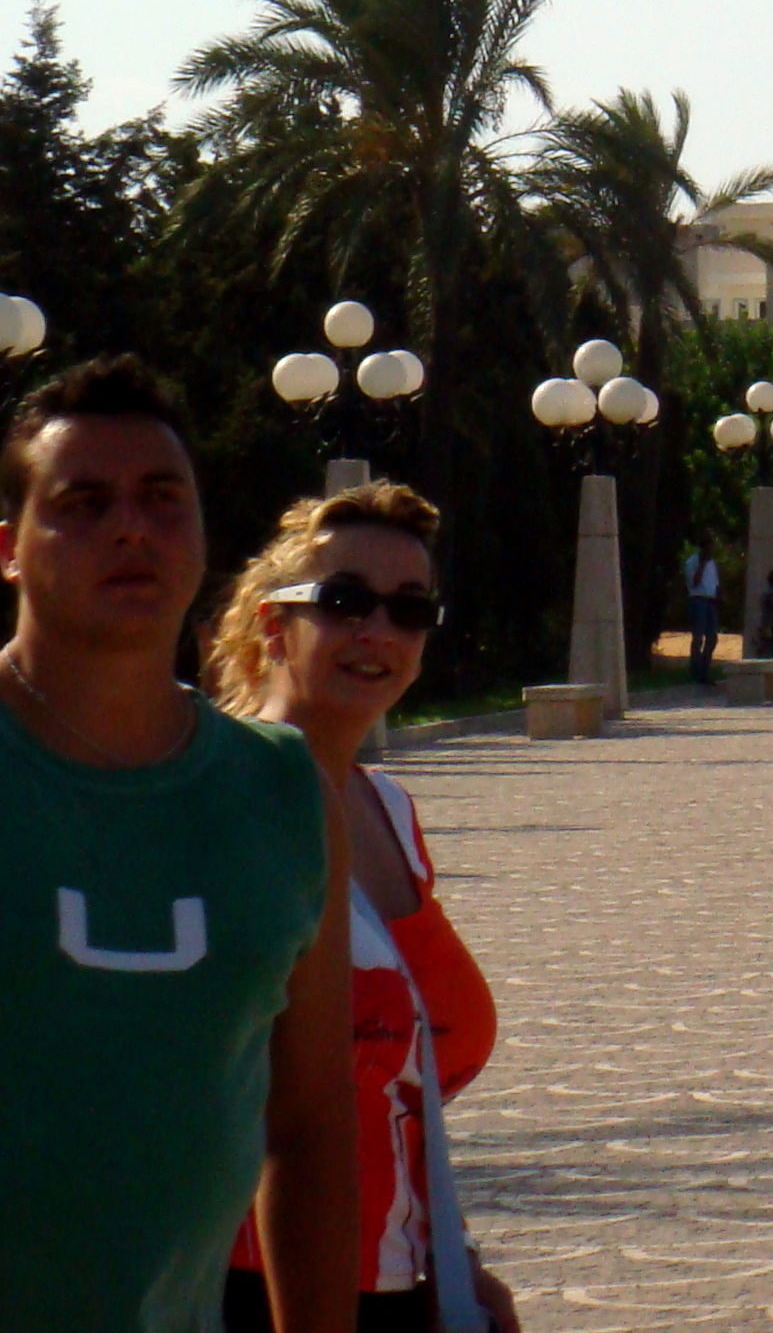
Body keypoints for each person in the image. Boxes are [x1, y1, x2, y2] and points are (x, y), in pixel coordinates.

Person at [0, 356, 357, 1333]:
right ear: (10, 549)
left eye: (163, 499)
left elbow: (314, 1125)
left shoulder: (281, 793)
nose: (130, 527)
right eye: (82, 502)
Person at [208, 481, 521, 1333]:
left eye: (409, 609)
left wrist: (452, 1257)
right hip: (242, 1284)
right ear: (275, 624)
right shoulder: (211, 795)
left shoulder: (390, 814)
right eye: (344, 601)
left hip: (393, 1274)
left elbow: (403, 1079)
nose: (378, 631)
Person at [682, 545, 722, 685]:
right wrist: (702, 564)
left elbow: (715, 584)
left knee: (712, 638)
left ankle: (704, 670)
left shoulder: (712, 563)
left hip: (710, 601)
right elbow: (693, 583)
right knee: (698, 637)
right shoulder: (692, 562)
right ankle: (695, 671)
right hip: (698, 599)